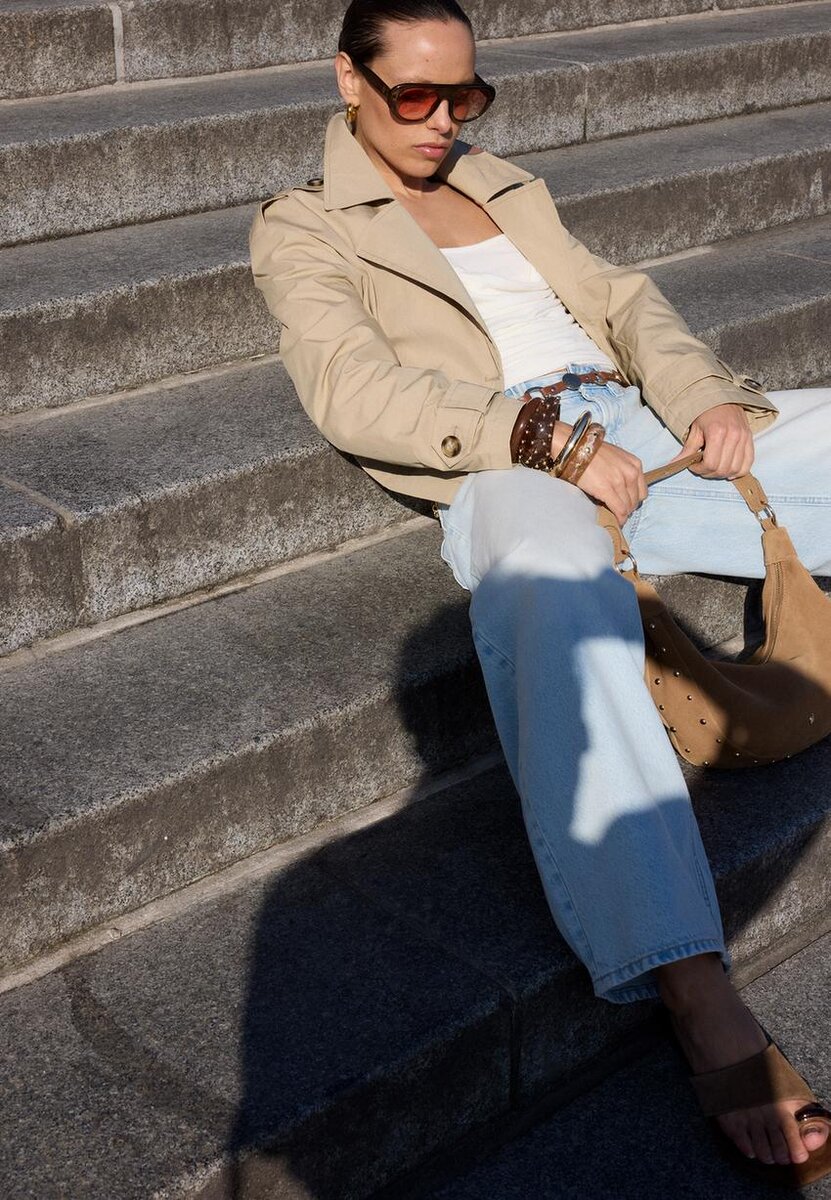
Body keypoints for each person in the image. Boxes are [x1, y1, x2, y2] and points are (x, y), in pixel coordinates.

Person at [249, 0, 831, 1181]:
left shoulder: (500, 182)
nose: (443, 119)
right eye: (415, 95)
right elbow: (353, 390)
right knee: (545, 581)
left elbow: (622, 301)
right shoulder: (302, 226)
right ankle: (691, 982)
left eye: (465, 94)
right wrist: (539, 439)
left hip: (641, 430)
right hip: (506, 462)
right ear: (348, 80)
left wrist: (701, 395)